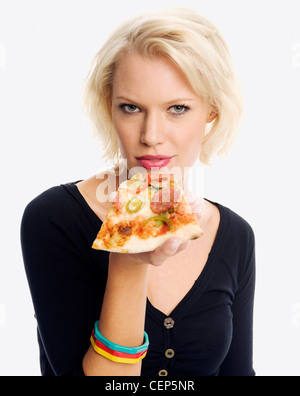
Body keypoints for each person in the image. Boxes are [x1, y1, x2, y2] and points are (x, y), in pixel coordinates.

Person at [21, 7, 256, 376]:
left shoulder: (235, 235)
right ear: (109, 105)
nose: (150, 135)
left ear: (211, 110)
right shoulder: (54, 218)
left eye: (177, 108)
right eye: (131, 108)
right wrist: (129, 261)